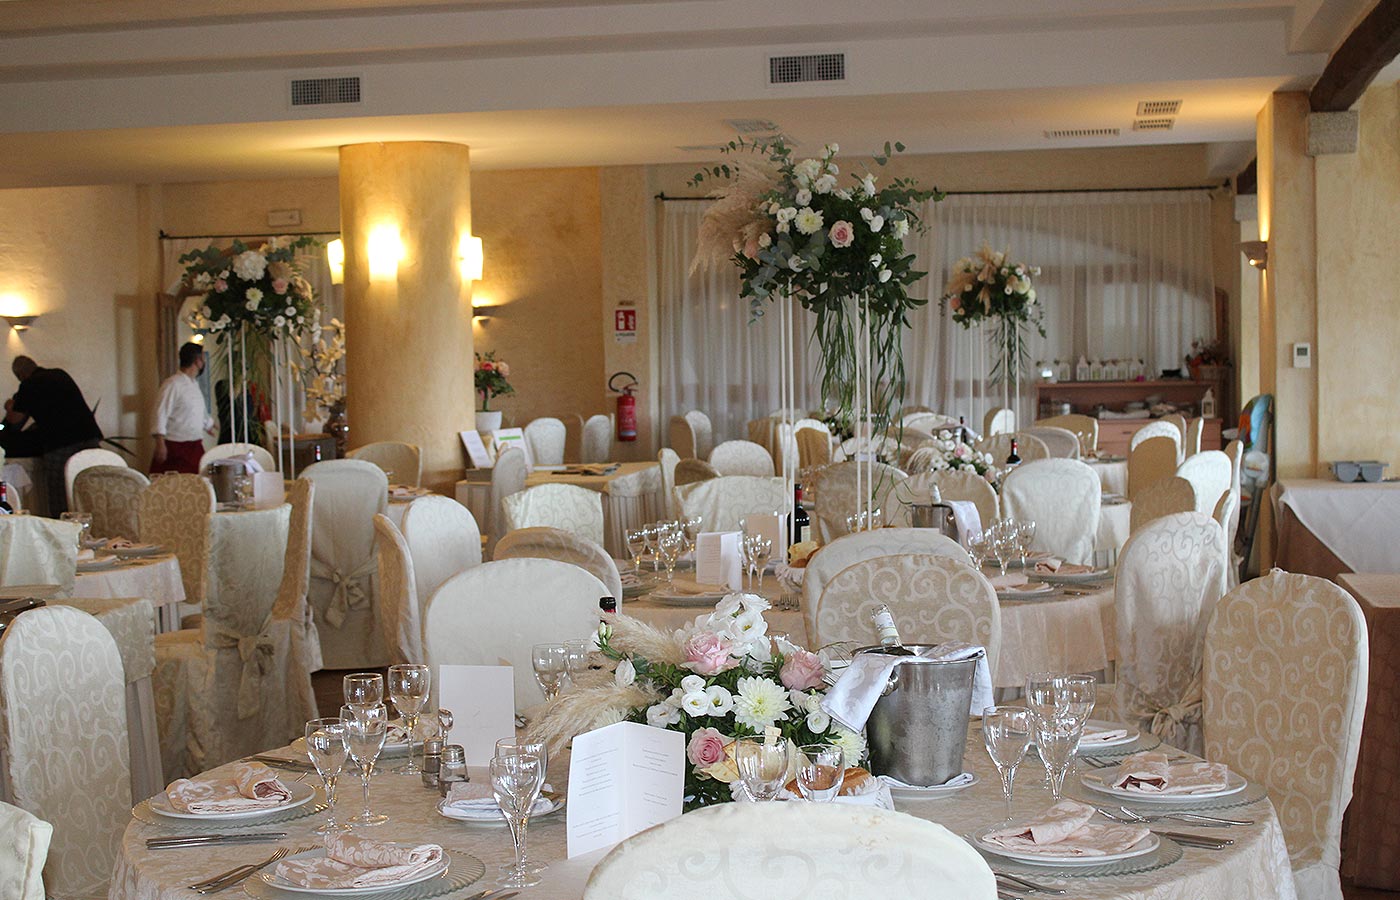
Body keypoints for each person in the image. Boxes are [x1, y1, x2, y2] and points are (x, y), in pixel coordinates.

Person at [0, 355, 104, 514]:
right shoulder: (59, 374)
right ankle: (96, 524)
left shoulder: (28, 385)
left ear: (20, 376)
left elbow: (14, 420)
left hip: (60, 443)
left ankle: (62, 528)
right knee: (91, 488)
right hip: (89, 436)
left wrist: (9, 407)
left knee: (60, 494)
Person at [151, 342, 214, 474]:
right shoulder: (172, 384)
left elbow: (195, 411)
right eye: (203, 358)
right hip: (175, 446)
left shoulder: (194, 384)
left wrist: (208, 425)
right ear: (198, 361)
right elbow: (160, 413)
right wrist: (160, 444)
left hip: (194, 444)